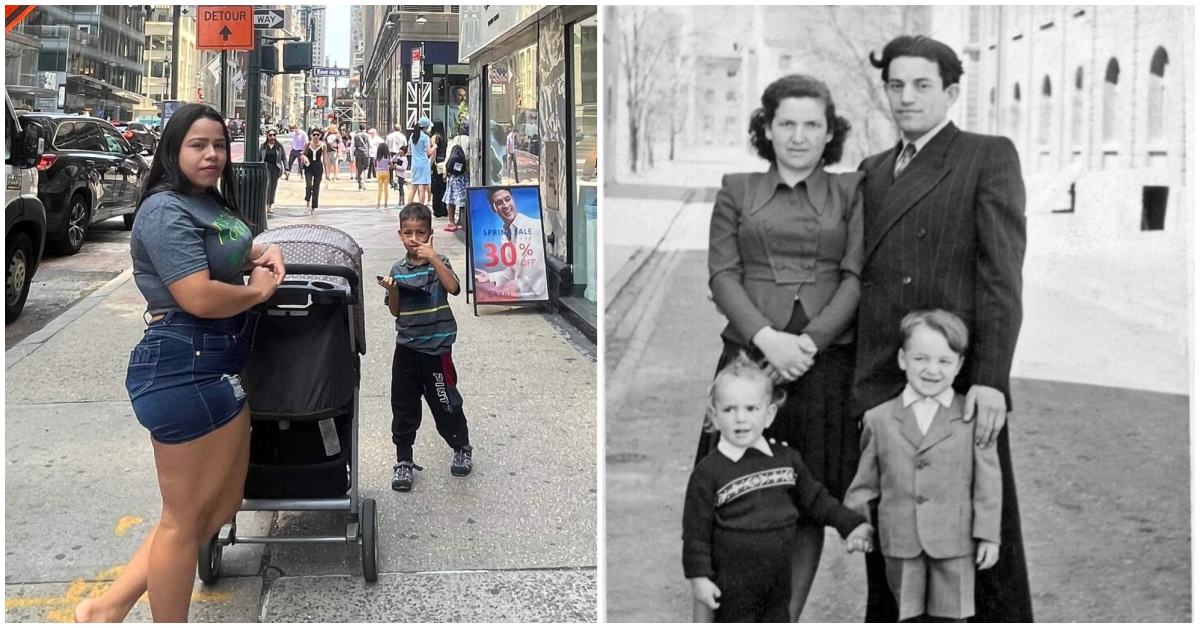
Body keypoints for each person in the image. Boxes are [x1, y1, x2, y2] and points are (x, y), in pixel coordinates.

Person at [73, 103, 285, 623]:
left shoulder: (204, 201)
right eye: (198, 145)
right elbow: (198, 296)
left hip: (216, 363)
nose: (212, 155)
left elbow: (222, 253)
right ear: (173, 150)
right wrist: (257, 293)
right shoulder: (165, 209)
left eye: (218, 145)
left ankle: (106, 607)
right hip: (182, 363)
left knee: (219, 508)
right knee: (182, 520)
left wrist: (259, 253)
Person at [853, 35, 1031, 622]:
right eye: (896, 85)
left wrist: (990, 379)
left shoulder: (986, 155)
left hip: (959, 387)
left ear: (951, 92)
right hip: (888, 383)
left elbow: (1001, 279)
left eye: (922, 85)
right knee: (894, 544)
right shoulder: (873, 170)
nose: (907, 97)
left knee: (978, 547)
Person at [695, 74, 863, 621]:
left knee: (804, 500)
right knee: (733, 491)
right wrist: (767, 339)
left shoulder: (851, 191)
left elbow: (855, 277)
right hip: (747, 362)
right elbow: (722, 274)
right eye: (786, 123)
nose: (798, 135)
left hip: (823, 367)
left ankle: (783, 618)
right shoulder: (736, 189)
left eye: (812, 124)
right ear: (766, 129)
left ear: (829, 131)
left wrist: (808, 345)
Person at [683, 353, 871, 623]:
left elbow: (817, 501)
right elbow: (695, 535)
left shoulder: (786, 460)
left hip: (777, 587)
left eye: (751, 409)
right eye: (729, 410)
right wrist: (699, 578)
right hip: (731, 589)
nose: (740, 419)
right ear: (713, 415)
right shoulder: (708, 473)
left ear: (769, 414)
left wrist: (851, 524)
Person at [844, 309, 1002, 622]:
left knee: (952, 618)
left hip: (956, 543)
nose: (932, 370)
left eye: (944, 361)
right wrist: (855, 523)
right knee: (904, 616)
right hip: (900, 540)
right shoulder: (879, 418)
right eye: (921, 359)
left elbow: (989, 483)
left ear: (959, 365)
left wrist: (988, 535)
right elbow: (865, 482)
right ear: (903, 359)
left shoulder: (972, 418)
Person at [376, 203, 473, 492]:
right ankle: (403, 460)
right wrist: (393, 290)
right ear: (400, 234)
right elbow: (396, 311)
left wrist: (433, 258)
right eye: (408, 233)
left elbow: (454, 288)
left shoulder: (438, 261)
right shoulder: (398, 269)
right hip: (406, 349)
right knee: (403, 406)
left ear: (430, 234)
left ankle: (461, 446)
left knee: (445, 403)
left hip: (436, 350)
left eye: (420, 233)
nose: (414, 239)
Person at [472, 187, 549, 300]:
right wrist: (490, 277)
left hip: (539, 295)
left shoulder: (536, 227)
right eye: (499, 203)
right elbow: (516, 269)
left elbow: (532, 269)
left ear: (513, 200)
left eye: (508, 199)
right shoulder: (505, 235)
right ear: (494, 209)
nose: (506, 205)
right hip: (525, 297)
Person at [442, 134, 469, 232]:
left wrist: (445, 172)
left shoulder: (454, 140)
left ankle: (451, 222)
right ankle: (460, 221)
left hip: (453, 175)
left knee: (451, 199)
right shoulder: (471, 140)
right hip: (464, 175)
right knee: (463, 199)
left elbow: (448, 158)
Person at [406, 117, 434, 206]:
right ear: (425, 127)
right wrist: (435, 147)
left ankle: (409, 206)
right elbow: (429, 152)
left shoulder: (412, 136)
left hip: (414, 164)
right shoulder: (425, 137)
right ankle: (421, 206)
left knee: (413, 187)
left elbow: (409, 150)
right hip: (423, 163)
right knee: (422, 188)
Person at [260, 128, 286, 217]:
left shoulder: (279, 146)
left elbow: (284, 158)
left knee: (273, 186)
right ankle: (266, 205)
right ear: (267, 136)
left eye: (274, 135)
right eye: (270, 135)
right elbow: (260, 157)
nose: (272, 137)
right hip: (266, 167)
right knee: (268, 185)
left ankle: (270, 205)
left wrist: (286, 168)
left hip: (276, 168)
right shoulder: (263, 146)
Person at [301, 130, 325, 215]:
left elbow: (324, 159)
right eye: (314, 134)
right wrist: (304, 157)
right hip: (309, 167)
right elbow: (303, 154)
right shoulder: (308, 144)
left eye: (317, 135)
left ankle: (313, 207)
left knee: (316, 187)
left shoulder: (323, 145)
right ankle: (307, 204)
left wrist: (327, 173)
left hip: (318, 167)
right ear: (311, 135)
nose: (315, 136)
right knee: (309, 185)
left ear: (320, 135)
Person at [430, 120, 449, 218]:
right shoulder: (444, 138)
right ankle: (444, 208)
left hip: (437, 164)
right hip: (443, 163)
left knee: (436, 187)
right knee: (443, 187)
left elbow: (434, 153)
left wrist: (430, 164)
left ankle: (437, 209)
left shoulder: (435, 137)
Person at [386, 123, 409, 192]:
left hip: (391, 153)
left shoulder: (389, 136)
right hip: (400, 154)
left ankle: (391, 181)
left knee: (391, 168)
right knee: (398, 169)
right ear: (400, 129)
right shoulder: (403, 137)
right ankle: (397, 182)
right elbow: (405, 145)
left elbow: (386, 145)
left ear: (393, 128)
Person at [352, 123, 371, 190]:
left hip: (358, 153)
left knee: (359, 168)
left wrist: (352, 156)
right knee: (366, 167)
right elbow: (370, 145)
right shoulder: (367, 135)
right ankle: (363, 181)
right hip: (366, 153)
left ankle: (359, 182)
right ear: (365, 128)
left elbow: (353, 146)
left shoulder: (355, 136)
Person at [374, 142, 392, 210]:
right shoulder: (388, 156)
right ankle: (386, 204)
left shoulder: (378, 156)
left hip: (379, 172)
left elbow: (375, 164)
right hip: (386, 172)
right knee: (386, 189)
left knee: (380, 189)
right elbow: (391, 165)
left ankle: (378, 204)